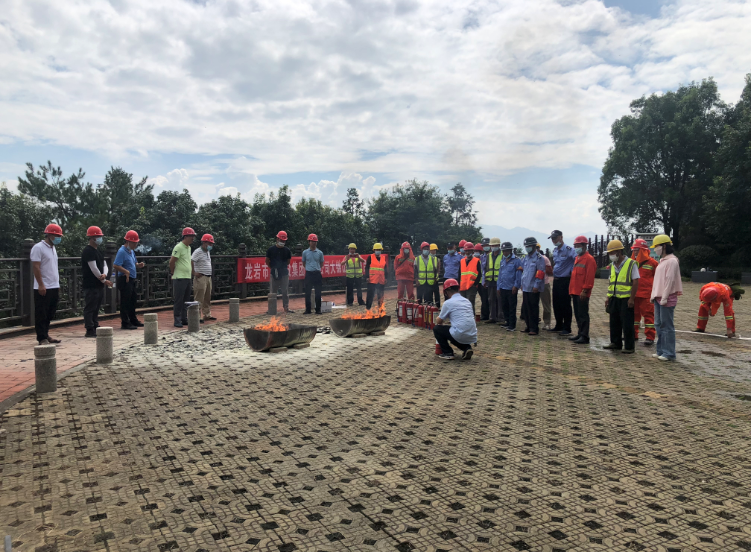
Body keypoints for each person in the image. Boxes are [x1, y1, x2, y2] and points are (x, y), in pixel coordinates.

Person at [650, 235, 683, 361]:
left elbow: (669, 280)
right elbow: (657, 281)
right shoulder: (662, 261)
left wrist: (665, 297)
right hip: (658, 297)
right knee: (658, 325)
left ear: (664, 246)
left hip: (667, 298)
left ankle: (669, 353)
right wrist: (653, 295)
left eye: (657, 246)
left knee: (667, 326)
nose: (655, 249)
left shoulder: (672, 261)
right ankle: (661, 350)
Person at [604, 239, 640, 354]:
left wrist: (632, 299)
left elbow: (635, 281)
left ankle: (629, 346)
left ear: (618, 252)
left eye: (611, 253)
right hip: (614, 297)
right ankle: (615, 343)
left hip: (626, 298)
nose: (610, 255)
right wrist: (608, 297)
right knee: (614, 321)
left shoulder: (631, 264)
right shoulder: (612, 265)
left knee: (627, 323)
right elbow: (611, 282)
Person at [31, 223, 63, 345]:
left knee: (50, 312)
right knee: (41, 313)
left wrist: (57, 283)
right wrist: (41, 284)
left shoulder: (53, 248)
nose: (58, 238)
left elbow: (53, 267)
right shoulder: (38, 248)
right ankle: (41, 337)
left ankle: (46, 333)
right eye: (57, 236)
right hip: (43, 286)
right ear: (49, 235)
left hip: (53, 285)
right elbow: (36, 267)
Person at [81, 226, 113, 338]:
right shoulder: (88, 251)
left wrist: (104, 274)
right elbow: (93, 268)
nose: (100, 238)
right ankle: (89, 329)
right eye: (98, 236)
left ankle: (95, 325)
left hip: (99, 284)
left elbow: (104, 265)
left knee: (96, 306)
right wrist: (103, 279)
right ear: (92, 238)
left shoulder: (98, 251)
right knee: (90, 307)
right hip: (90, 284)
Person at [433, 279, 476, 361]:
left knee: (437, 329)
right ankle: (467, 348)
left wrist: (437, 318)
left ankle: (448, 353)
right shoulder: (467, 301)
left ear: (446, 292)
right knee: (454, 332)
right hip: (472, 334)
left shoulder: (448, 303)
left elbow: (439, 321)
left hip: (460, 333)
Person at [113, 230, 145, 330]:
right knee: (125, 301)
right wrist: (126, 271)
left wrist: (138, 265)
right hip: (124, 279)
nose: (136, 245)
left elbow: (134, 263)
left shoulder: (131, 252)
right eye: (134, 243)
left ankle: (133, 319)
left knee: (132, 300)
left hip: (131, 279)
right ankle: (125, 322)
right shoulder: (122, 251)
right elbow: (116, 265)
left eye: (136, 243)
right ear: (128, 241)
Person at [568, 235, 597, 344]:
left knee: (583, 314)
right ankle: (580, 333)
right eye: (575, 246)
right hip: (575, 291)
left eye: (578, 246)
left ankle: (584, 336)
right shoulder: (577, 258)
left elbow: (589, 277)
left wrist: (585, 291)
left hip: (582, 292)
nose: (576, 248)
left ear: (584, 246)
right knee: (577, 314)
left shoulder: (589, 259)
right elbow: (574, 276)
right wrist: (571, 290)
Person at [630, 239, 658, 345]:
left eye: (637, 250)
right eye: (634, 250)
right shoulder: (631, 263)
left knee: (649, 316)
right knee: (634, 316)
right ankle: (633, 335)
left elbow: (658, 279)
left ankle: (650, 337)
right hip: (634, 294)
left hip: (647, 295)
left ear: (643, 250)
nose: (635, 252)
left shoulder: (653, 263)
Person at [549, 230, 576, 336]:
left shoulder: (569, 250)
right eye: (552, 239)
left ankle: (567, 327)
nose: (554, 240)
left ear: (561, 237)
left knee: (565, 304)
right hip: (556, 280)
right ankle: (559, 324)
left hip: (565, 280)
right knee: (556, 304)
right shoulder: (555, 251)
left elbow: (576, 260)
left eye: (555, 238)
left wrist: (572, 271)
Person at [169, 227, 196, 328]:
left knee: (186, 300)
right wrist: (173, 272)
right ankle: (177, 319)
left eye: (193, 236)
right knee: (179, 300)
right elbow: (172, 262)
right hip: (179, 277)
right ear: (185, 236)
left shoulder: (188, 248)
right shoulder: (179, 247)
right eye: (191, 236)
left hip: (187, 277)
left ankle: (184, 318)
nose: (193, 238)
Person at [520, 237, 546, 335]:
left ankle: (534, 328)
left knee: (533, 308)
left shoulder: (539, 258)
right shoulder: (526, 257)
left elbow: (540, 273)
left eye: (529, 246)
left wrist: (536, 285)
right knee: (526, 308)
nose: (527, 248)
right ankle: (528, 326)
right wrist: (522, 284)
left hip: (533, 287)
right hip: (526, 286)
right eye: (526, 246)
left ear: (534, 246)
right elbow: (524, 272)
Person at [266, 230, 293, 314]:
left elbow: (288, 262)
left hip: (284, 273)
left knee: (285, 291)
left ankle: (286, 307)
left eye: (284, 241)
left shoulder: (287, 250)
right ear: (277, 239)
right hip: (274, 273)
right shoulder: (271, 249)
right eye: (281, 240)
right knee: (273, 292)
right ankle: (271, 309)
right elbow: (267, 261)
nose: (282, 242)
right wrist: (273, 268)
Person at [497, 241, 522, 331]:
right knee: (504, 306)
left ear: (511, 250)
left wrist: (516, 285)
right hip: (503, 287)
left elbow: (518, 275)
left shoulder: (516, 260)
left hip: (511, 288)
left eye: (507, 251)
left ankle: (512, 324)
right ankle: (507, 321)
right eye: (503, 251)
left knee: (512, 306)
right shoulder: (503, 260)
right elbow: (500, 275)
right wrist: (498, 287)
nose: (505, 252)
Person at [192, 233, 216, 323]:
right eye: (210, 243)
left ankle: (207, 314)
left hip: (208, 277)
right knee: (199, 297)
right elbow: (191, 261)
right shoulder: (198, 251)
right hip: (201, 277)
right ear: (204, 242)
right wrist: (194, 272)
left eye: (212, 244)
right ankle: (197, 316)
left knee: (207, 297)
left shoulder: (207, 252)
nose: (211, 245)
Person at [302, 233, 325, 314]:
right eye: (312, 241)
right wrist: (309, 268)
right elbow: (304, 263)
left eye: (315, 241)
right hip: (309, 274)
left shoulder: (320, 253)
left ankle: (318, 309)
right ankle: (308, 309)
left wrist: (316, 268)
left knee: (318, 292)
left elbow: (321, 263)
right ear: (309, 242)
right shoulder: (305, 252)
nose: (314, 243)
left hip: (317, 274)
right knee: (307, 292)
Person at [483, 238, 503, 324]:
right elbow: (485, 268)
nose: (493, 247)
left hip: (500, 281)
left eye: (495, 245)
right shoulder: (489, 256)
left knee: (500, 300)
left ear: (499, 245)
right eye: (492, 245)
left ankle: (501, 317)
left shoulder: (502, 255)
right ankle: (492, 317)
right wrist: (484, 280)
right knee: (491, 299)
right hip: (490, 281)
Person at [459, 242, 482, 315]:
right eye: (466, 251)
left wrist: (475, 284)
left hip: (471, 286)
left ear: (472, 251)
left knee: (470, 303)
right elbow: (459, 274)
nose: (467, 252)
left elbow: (479, 274)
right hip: (462, 286)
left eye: (469, 250)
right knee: (462, 303)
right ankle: (463, 317)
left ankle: (471, 317)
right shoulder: (462, 261)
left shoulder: (476, 261)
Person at [341, 243, 366, 307]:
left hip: (358, 275)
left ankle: (360, 301)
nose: (352, 250)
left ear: (355, 250)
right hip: (350, 276)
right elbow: (342, 263)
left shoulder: (358, 256)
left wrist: (358, 257)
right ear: (349, 250)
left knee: (359, 289)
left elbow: (363, 261)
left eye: (353, 249)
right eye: (351, 249)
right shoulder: (347, 257)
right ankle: (350, 302)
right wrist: (347, 259)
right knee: (350, 289)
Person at [365, 243, 388, 309]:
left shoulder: (383, 258)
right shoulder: (370, 257)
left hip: (381, 280)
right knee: (370, 295)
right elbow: (367, 268)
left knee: (380, 295)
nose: (378, 251)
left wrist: (386, 278)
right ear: (374, 250)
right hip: (372, 279)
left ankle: (380, 308)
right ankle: (368, 309)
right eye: (376, 249)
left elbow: (385, 269)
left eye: (379, 250)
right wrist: (367, 277)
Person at [538, 244, 553, 330]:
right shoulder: (530, 259)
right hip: (533, 284)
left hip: (544, 283)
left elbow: (550, 271)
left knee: (546, 304)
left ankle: (547, 322)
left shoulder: (544, 259)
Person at [478, 238, 491, 320]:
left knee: (493, 299)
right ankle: (485, 315)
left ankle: (494, 315)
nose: (485, 247)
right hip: (483, 281)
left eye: (487, 245)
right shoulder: (482, 257)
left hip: (492, 281)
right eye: (484, 245)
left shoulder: (493, 256)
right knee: (484, 299)